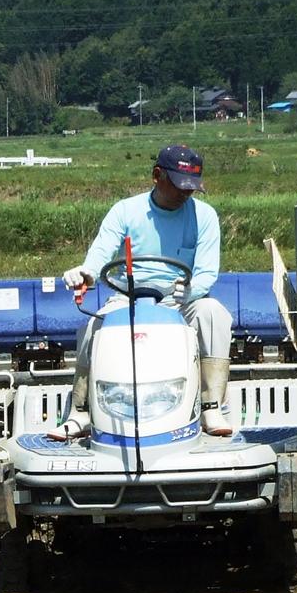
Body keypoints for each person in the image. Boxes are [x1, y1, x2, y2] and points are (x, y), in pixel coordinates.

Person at [49, 144, 233, 439]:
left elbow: (207, 272)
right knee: (93, 326)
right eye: (179, 186)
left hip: (179, 299)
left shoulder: (205, 216)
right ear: (157, 175)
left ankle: (212, 405)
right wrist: (86, 273)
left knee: (214, 313)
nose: (186, 194)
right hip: (127, 298)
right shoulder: (125, 211)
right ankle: (81, 412)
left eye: (192, 188)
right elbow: (100, 254)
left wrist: (191, 291)